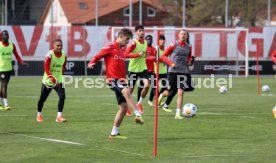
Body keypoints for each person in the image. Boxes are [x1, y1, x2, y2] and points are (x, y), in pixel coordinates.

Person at [87, 28, 144, 139]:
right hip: (112, 80)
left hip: (121, 80)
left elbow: (128, 56)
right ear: (121, 36)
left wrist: (138, 55)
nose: (128, 42)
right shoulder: (110, 47)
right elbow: (98, 55)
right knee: (127, 92)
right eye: (127, 39)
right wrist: (91, 62)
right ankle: (138, 114)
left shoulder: (122, 50)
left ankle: (114, 133)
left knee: (123, 107)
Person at [158, 29, 195, 119]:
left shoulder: (189, 46)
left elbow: (189, 57)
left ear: (187, 36)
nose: (183, 35)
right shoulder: (174, 44)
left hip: (183, 72)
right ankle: (161, 95)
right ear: (179, 35)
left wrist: (189, 62)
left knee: (180, 92)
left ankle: (177, 114)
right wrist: (171, 64)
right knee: (169, 91)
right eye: (182, 34)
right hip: (173, 72)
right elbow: (163, 56)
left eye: (185, 34)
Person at [36, 39, 67, 123]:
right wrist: (53, 80)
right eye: (58, 45)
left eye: (61, 45)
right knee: (42, 99)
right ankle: (39, 114)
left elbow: (64, 65)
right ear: (53, 46)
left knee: (62, 96)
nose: (59, 47)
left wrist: (63, 70)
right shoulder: (49, 55)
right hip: (48, 81)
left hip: (59, 80)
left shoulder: (64, 55)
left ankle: (59, 117)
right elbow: (46, 69)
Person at [125, 25, 149, 115]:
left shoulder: (145, 43)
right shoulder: (133, 43)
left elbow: (144, 54)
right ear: (136, 32)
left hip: (143, 68)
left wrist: (146, 55)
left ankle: (139, 103)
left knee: (147, 85)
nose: (142, 32)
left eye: (142, 30)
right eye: (139, 31)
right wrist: (137, 54)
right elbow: (126, 54)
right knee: (130, 90)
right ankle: (126, 107)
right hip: (133, 69)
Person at [0, 30, 27, 110]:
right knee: (4, 85)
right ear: (1, 36)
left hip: (9, 68)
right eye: (4, 35)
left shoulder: (12, 45)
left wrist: (22, 62)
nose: (6, 36)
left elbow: (17, 55)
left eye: (7, 34)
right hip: (1, 69)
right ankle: (6, 105)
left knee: (3, 86)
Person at [148, 35, 168, 106]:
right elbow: (155, 59)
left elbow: (166, 59)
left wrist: (166, 61)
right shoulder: (156, 49)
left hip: (164, 71)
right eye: (161, 40)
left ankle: (158, 97)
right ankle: (151, 100)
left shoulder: (166, 49)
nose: (162, 41)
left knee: (166, 86)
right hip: (156, 71)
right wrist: (161, 60)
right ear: (158, 41)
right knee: (155, 87)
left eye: (163, 40)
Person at [137, 34, 156, 107]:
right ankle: (138, 103)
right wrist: (153, 58)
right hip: (144, 71)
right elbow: (145, 58)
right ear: (145, 40)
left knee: (155, 87)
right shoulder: (144, 48)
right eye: (148, 39)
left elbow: (156, 59)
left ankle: (156, 102)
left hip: (152, 71)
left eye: (150, 39)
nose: (149, 40)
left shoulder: (154, 49)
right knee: (141, 87)